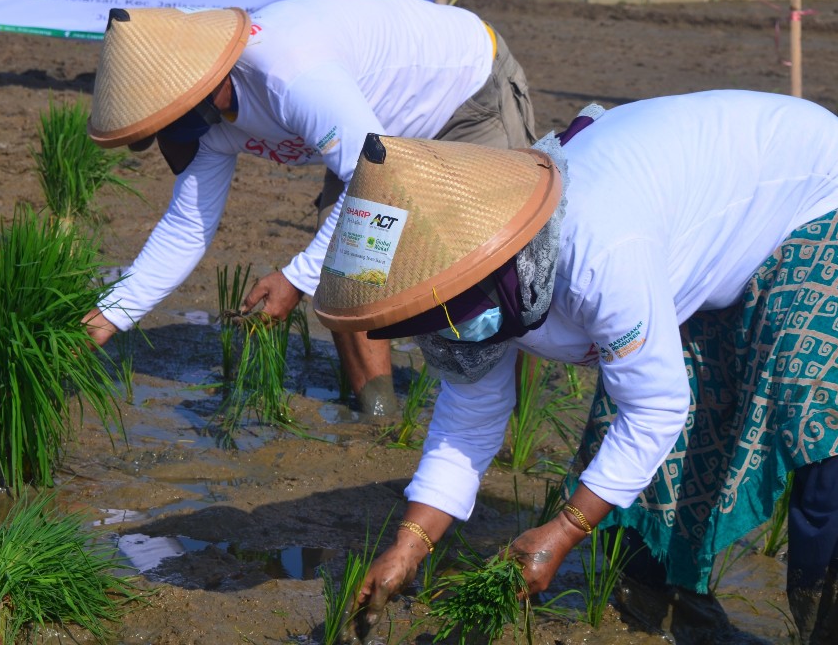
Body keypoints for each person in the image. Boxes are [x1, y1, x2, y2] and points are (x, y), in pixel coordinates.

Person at [312, 89, 838, 645]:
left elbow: (656, 407)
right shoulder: (465, 280)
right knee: (648, 425)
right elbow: (469, 419)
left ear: (491, 267)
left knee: (812, 419)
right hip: (696, 214)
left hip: (811, 188)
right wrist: (408, 546)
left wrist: (563, 530)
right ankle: (662, 600)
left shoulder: (599, 253)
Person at [81, 0, 536, 416]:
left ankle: (510, 426)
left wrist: (296, 277)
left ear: (204, 83)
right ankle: (378, 414)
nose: (172, 135)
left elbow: (375, 180)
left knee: (503, 271)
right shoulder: (204, 118)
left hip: (465, 93)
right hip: (370, 134)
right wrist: (104, 319)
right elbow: (186, 228)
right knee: (350, 269)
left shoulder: (291, 75)